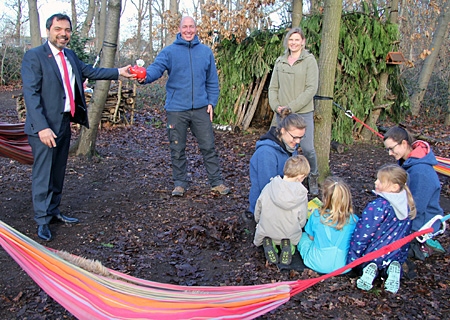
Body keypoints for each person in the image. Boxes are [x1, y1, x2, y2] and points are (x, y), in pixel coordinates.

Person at [21, 13, 135, 242]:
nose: (63, 34)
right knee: (43, 174)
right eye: (58, 29)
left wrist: (118, 72)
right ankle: (42, 221)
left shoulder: (70, 56)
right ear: (48, 31)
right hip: (43, 126)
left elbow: (91, 72)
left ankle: (53, 211)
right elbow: (31, 95)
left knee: (58, 171)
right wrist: (42, 128)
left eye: (67, 30)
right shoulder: (34, 57)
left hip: (64, 122)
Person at [138, 16, 229, 197]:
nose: (188, 30)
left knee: (208, 146)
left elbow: (212, 80)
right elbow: (156, 69)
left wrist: (212, 102)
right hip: (176, 109)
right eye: (185, 27)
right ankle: (180, 183)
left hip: (201, 109)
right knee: (177, 147)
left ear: (196, 29)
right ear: (179, 29)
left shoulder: (205, 52)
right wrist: (143, 76)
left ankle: (216, 182)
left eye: (191, 27)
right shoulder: (169, 52)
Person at [347, 164, 416, 294]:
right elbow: (405, 235)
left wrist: (354, 260)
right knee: (391, 262)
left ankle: (369, 267)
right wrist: (401, 257)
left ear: (394, 187)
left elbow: (363, 233)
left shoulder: (378, 206)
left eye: (380, 181)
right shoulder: (407, 204)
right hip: (394, 252)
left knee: (370, 260)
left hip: (375, 251)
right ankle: (393, 267)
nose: (375, 182)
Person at [268, 27, 319, 196]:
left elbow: (311, 88)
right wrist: (276, 106)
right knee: (283, 146)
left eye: (297, 40)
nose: (294, 43)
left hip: (302, 112)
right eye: (291, 39)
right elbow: (273, 87)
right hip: (282, 114)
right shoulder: (280, 61)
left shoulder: (309, 60)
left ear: (303, 42)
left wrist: (292, 107)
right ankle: (289, 178)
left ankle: (313, 176)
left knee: (307, 148)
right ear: (287, 42)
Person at [383, 126, 445, 259]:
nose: (389, 153)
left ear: (404, 144)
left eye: (391, 148)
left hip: (421, 223)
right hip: (408, 213)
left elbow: (417, 208)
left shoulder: (420, 172)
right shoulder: (408, 163)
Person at [248, 108, 307, 217]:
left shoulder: (289, 145)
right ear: (283, 130)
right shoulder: (266, 153)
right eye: (295, 137)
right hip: (265, 210)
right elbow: (268, 189)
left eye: (301, 137)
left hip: (285, 202)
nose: (298, 141)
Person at [253, 155, 310, 265]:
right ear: (300, 177)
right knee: (294, 239)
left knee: (269, 234)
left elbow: (258, 208)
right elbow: (302, 220)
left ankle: (270, 244)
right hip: (289, 233)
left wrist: (258, 220)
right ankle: (288, 246)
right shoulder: (301, 195)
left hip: (267, 230)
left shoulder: (269, 186)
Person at [298, 177, 359, 274]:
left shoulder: (316, 215)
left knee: (302, 236)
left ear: (325, 198)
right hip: (344, 266)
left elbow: (311, 237)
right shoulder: (354, 219)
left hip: (318, 263)